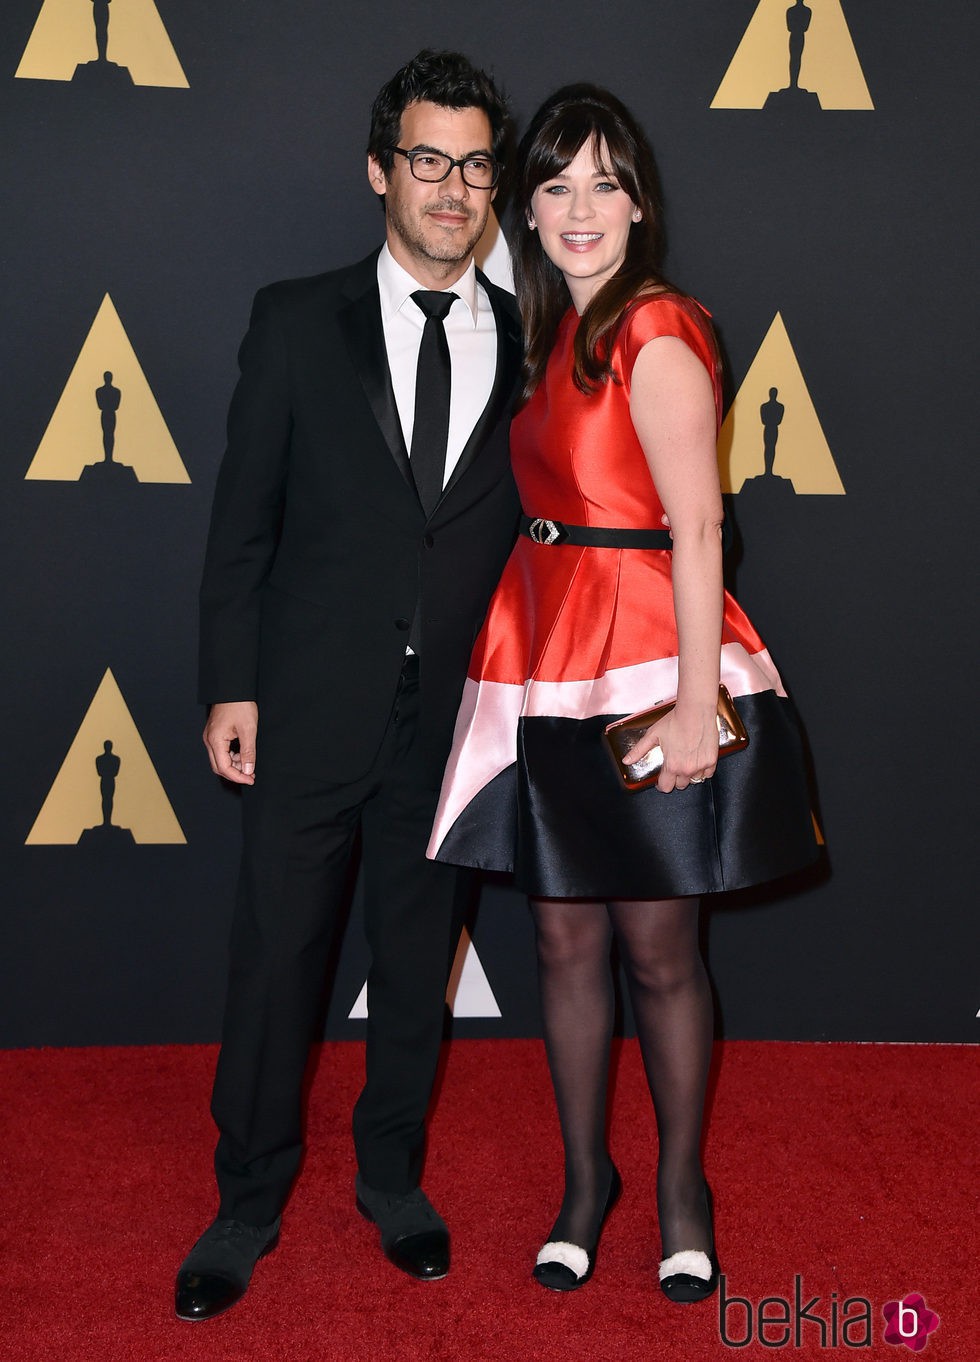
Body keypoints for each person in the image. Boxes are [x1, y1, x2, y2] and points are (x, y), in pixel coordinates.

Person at [428, 85, 817, 1300]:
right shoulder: (547, 333)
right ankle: (583, 1182)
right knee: (558, 936)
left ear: (637, 202)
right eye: (554, 184)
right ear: (524, 211)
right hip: (548, 656)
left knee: (656, 945)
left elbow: (698, 525)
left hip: (649, 659)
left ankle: (678, 1189)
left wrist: (698, 702)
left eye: (603, 181)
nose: (578, 206)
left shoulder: (655, 328)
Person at [176, 50, 521, 1321]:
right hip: (307, 701)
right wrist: (230, 682)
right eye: (427, 160)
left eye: (475, 164)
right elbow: (241, 526)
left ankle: (393, 1185)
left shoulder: (531, 337)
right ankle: (244, 1202)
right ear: (379, 170)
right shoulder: (293, 318)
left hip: (452, 724)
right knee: (277, 962)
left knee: (418, 952)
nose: (451, 188)